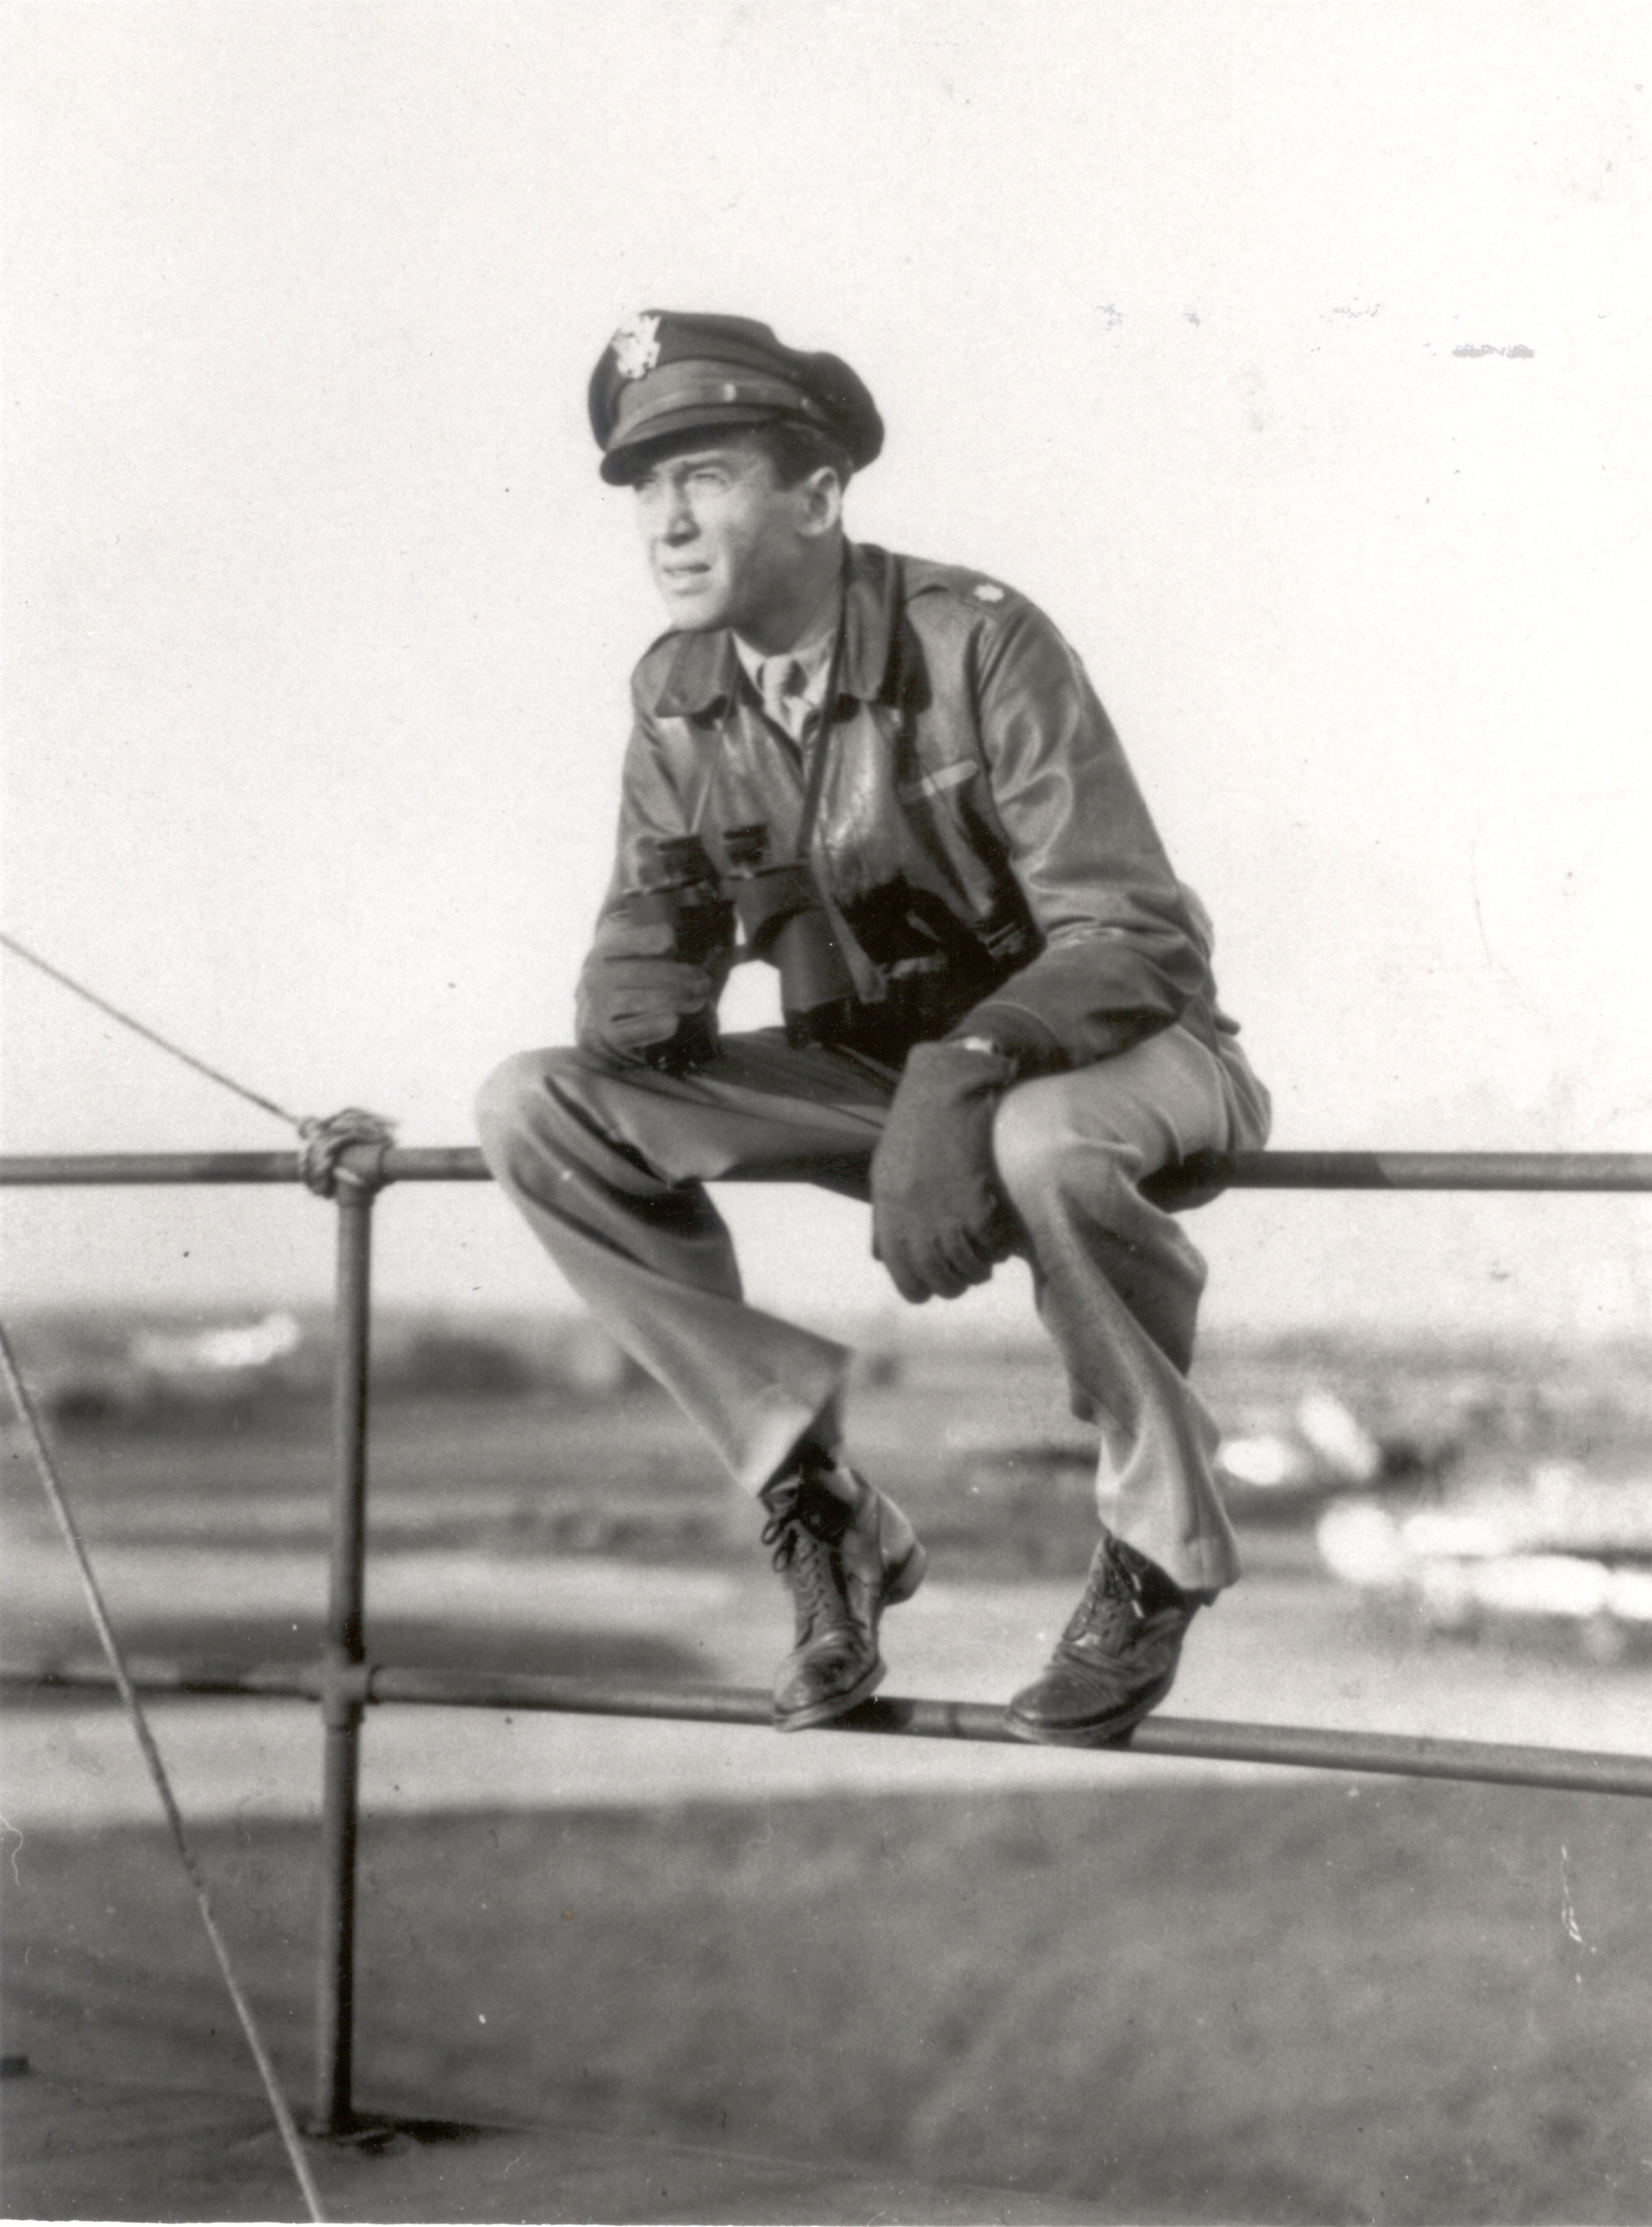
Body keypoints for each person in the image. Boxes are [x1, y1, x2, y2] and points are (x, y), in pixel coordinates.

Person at [476, 310, 1271, 1743]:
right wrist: (632, 978)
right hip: (881, 1081)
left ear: (820, 494)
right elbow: (654, 912)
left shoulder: (978, 641)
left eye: (705, 475)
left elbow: (1132, 933)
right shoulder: (676, 693)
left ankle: (1159, 1545)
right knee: (533, 1106)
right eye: (646, 486)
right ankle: (817, 1497)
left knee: (1040, 1137)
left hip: (1121, 1055)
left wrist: (967, 1069)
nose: (666, 520)